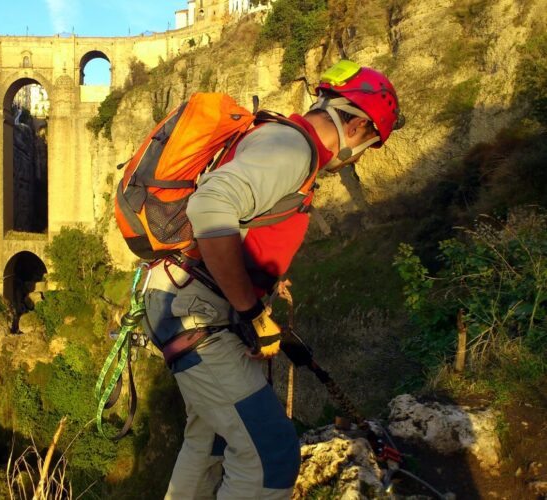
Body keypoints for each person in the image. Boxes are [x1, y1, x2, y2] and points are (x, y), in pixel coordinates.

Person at [141, 60, 403, 499]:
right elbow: (210, 208)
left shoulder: (276, 137)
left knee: (211, 442)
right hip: (198, 309)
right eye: (369, 143)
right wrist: (250, 310)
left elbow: (246, 223)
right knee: (272, 456)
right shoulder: (292, 149)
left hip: (181, 298)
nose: (358, 157)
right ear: (356, 127)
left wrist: (261, 283)